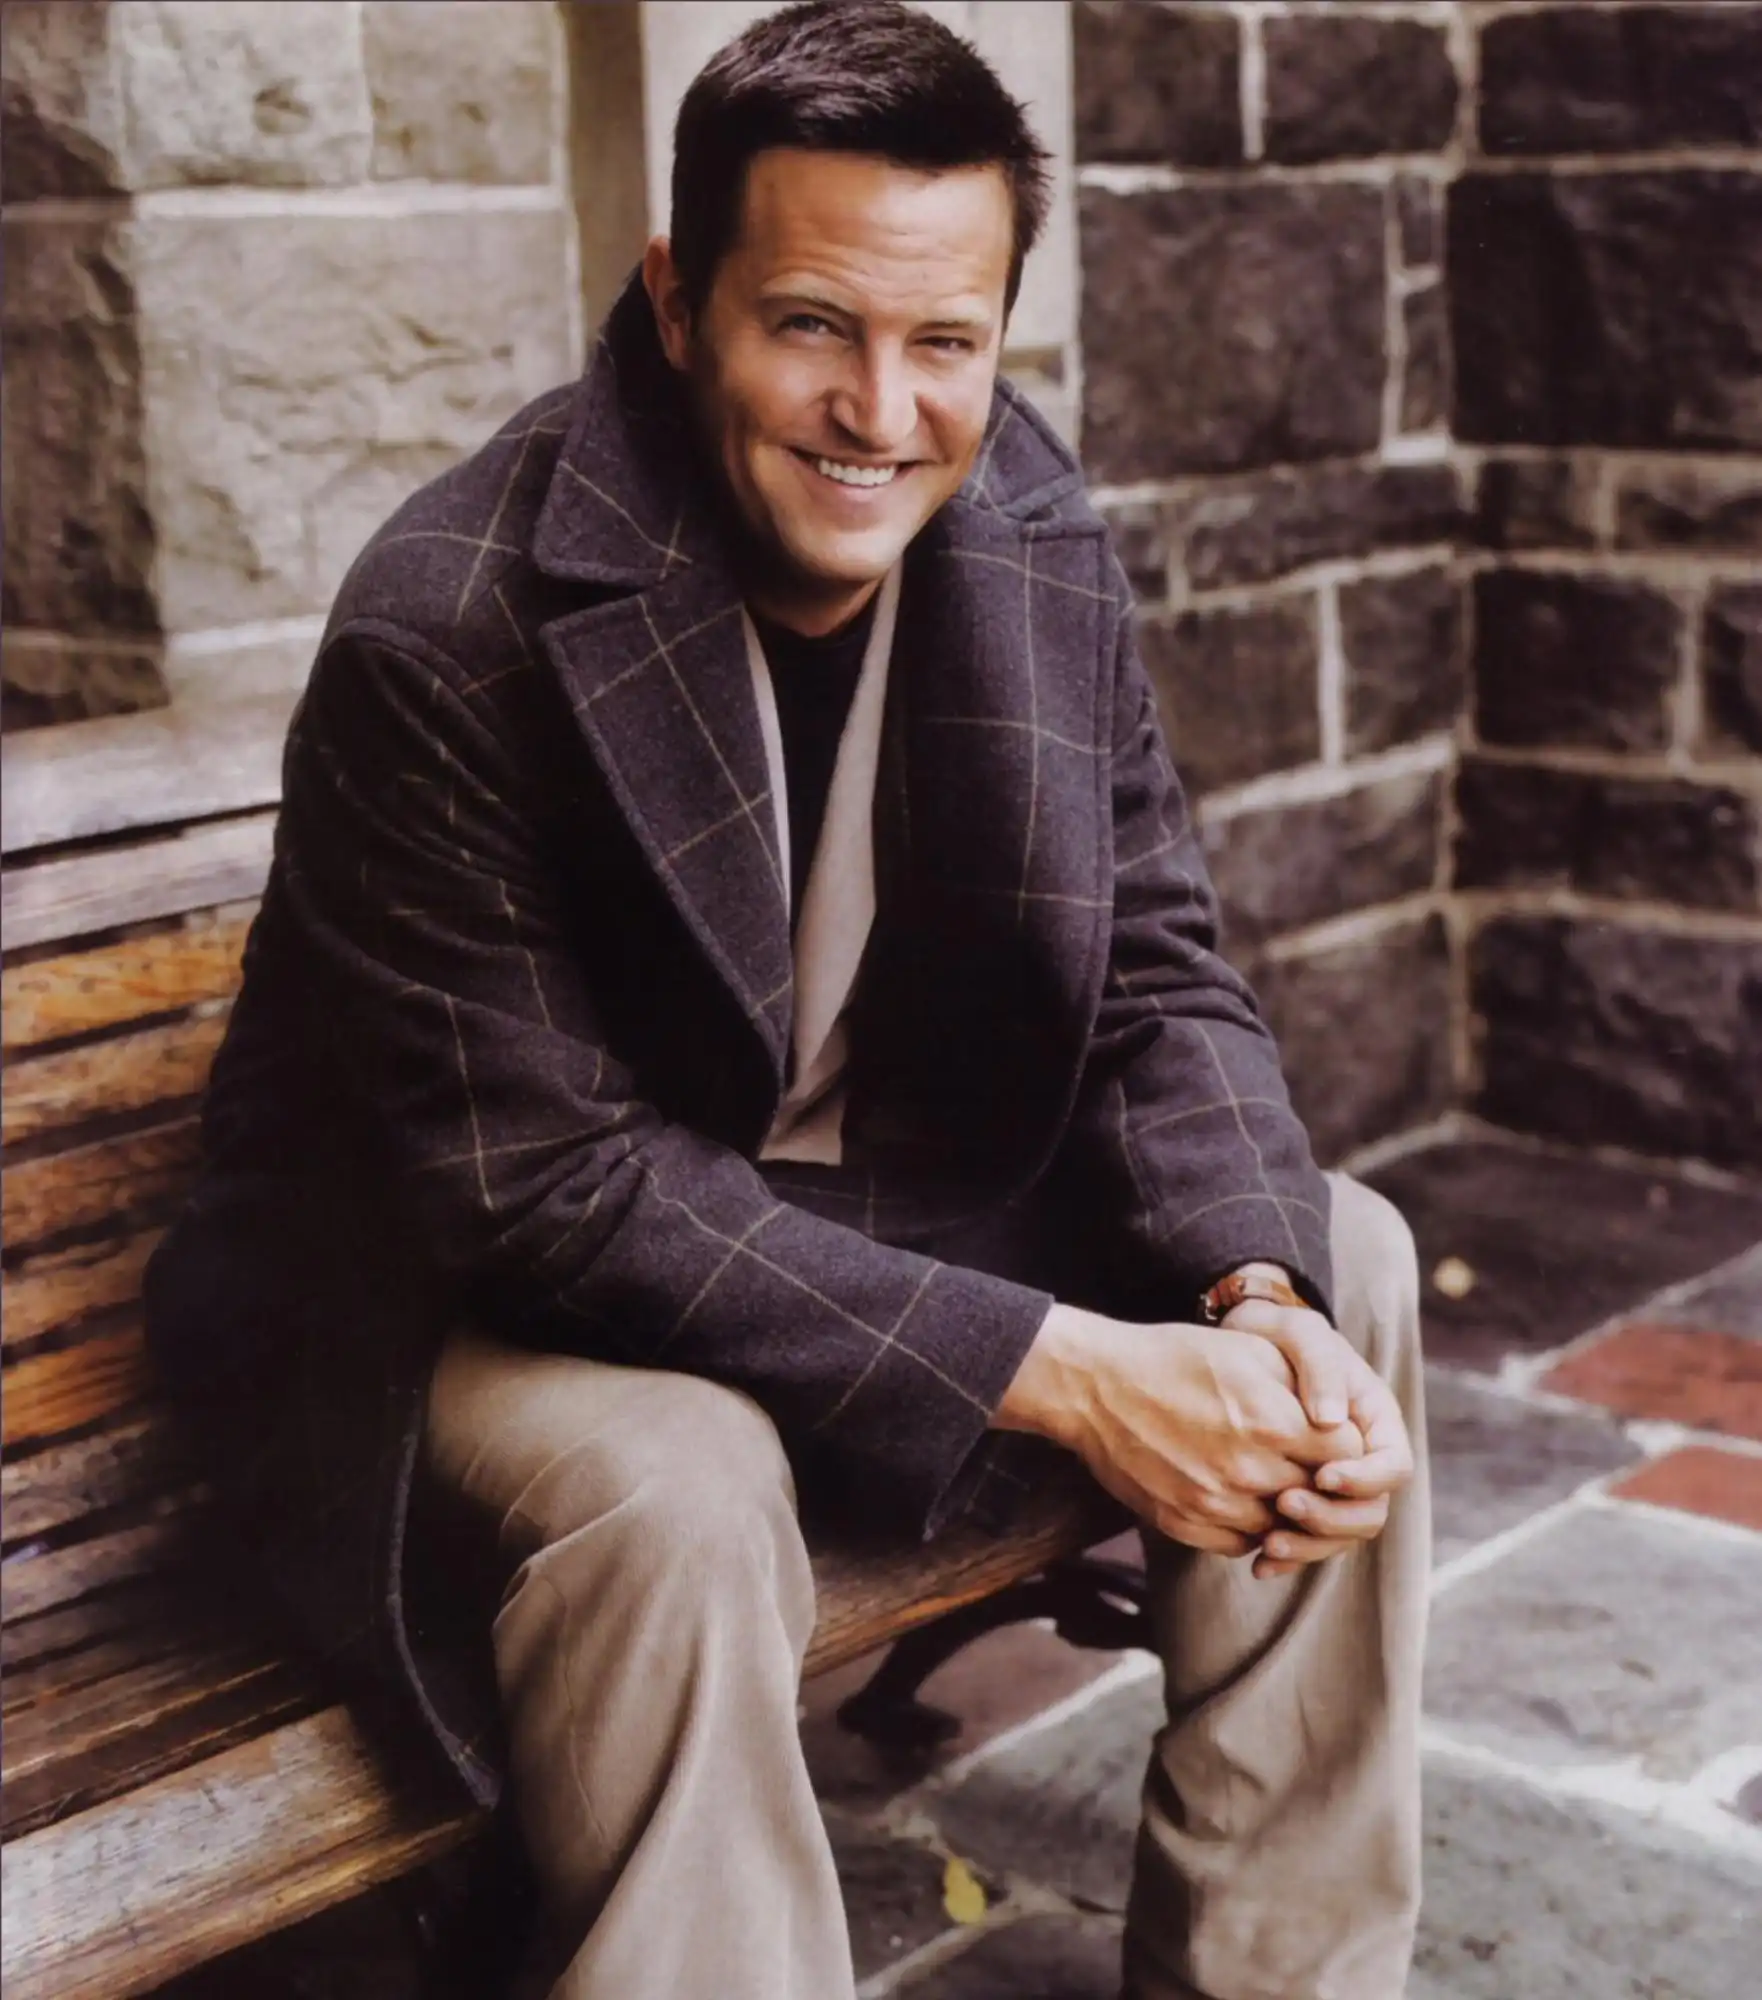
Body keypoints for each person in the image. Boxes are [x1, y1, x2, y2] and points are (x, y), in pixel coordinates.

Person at [146, 4, 1429, 1995]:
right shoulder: (454, 623)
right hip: (439, 1308)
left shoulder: (1025, 524)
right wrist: (1068, 1370)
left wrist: (1249, 1294)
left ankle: (1281, 1974)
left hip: (831, 1220)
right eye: (812, 324)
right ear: (678, 302)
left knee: (1344, 1268)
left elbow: (1153, 971)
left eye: (945, 341)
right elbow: (547, 1191)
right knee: (674, 1485)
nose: (880, 411)